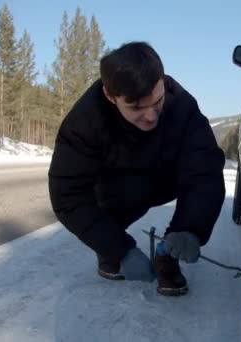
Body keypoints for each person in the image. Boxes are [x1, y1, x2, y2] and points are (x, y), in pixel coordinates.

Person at [48, 41, 226, 296]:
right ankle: (112, 252)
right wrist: (119, 248)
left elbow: (204, 170)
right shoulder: (85, 121)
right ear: (111, 96)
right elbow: (68, 195)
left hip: (167, 178)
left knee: (194, 179)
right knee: (115, 199)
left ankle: (168, 254)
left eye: (157, 102)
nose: (151, 116)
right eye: (136, 108)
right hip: (118, 188)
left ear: (162, 81)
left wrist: (191, 227)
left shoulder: (183, 106)